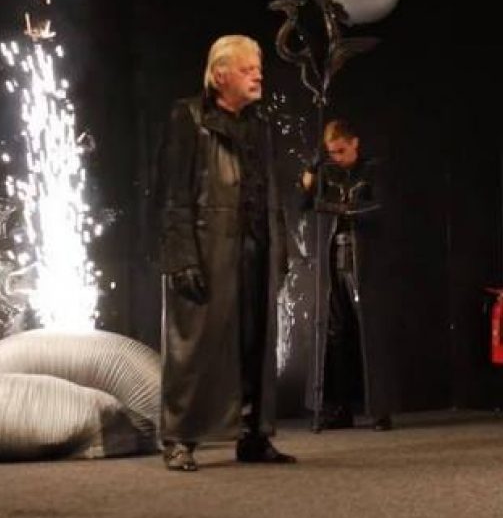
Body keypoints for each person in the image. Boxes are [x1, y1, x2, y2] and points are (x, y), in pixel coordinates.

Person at [158, 35, 295, 471]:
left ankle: (253, 435)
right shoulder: (190, 117)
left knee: (255, 342)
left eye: (258, 68)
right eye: (247, 69)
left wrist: (280, 251)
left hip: (254, 244)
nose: (258, 76)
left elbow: (271, 193)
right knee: (196, 345)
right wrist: (181, 256)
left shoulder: (261, 125)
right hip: (208, 244)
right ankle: (180, 437)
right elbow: (173, 194)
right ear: (220, 75)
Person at [301, 119, 395, 432]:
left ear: (355, 142)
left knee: (369, 332)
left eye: (341, 150)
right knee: (336, 334)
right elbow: (304, 201)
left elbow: (379, 206)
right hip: (335, 258)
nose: (337, 157)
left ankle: (379, 410)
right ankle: (339, 408)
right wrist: (312, 169)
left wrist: (340, 209)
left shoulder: (372, 169)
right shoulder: (329, 171)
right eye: (332, 152)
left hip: (364, 259)